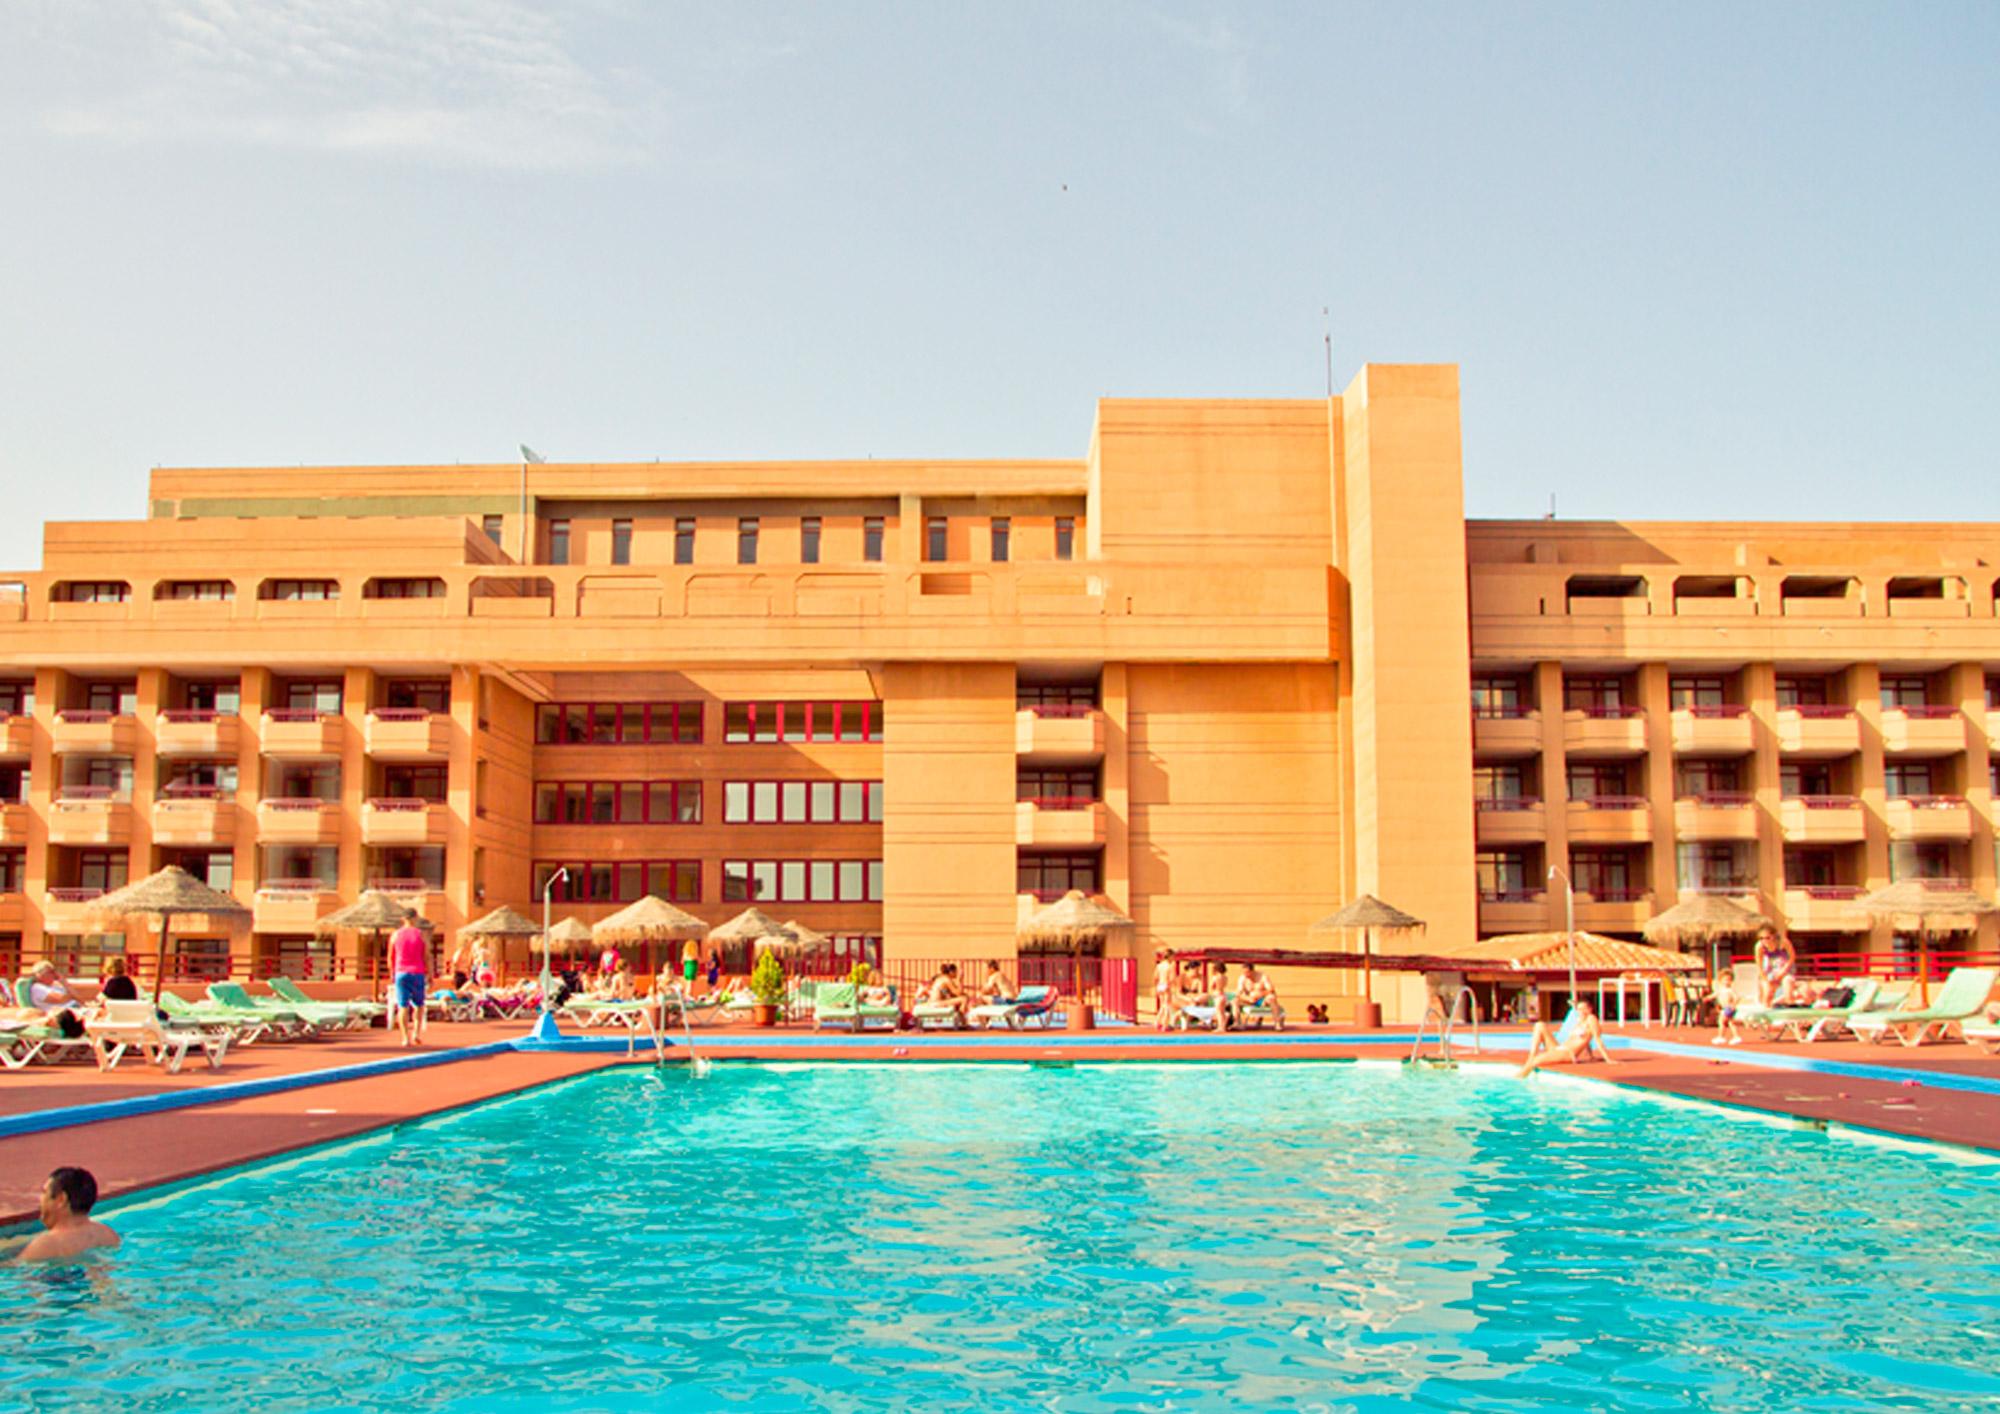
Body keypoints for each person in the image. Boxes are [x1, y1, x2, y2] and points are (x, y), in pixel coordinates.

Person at [15, 1167, 120, 1264]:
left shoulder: (45, 1245)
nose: (40, 1199)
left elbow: (16, 1272)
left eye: (44, 1192)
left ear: (61, 1199)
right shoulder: (109, 1235)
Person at [1517, 1000, 1618, 1077]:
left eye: (1583, 1009)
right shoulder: (1579, 1022)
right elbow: (1586, 1041)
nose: (1581, 1011)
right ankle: (1530, 1057)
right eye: (1579, 1009)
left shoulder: (1591, 1019)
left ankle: (1519, 1078)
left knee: (1535, 1061)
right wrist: (1591, 1056)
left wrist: (1608, 1059)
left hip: (1568, 1054)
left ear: (1590, 1009)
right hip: (1559, 1049)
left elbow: (1597, 1039)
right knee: (1540, 1025)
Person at [387, 919, 428, 1047]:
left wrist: (392, 974)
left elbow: (390, 957)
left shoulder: (395, 935)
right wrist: (430, 973)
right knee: (419, 1005)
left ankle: (405, 1038)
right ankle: (416, 1033)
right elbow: (426, 955)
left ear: (403, 920)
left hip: (401, 972)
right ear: (415, 918)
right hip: (417, 972)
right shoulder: (421, 934)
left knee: (402, 1006)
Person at [25, 962, 85, 1038]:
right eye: (50, 972)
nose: (55, 974)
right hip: (63, 1016)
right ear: (39, 975)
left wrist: (67, 987)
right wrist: (67, 987)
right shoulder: (37, 988)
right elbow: (60, 999)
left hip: (75, 1011)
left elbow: (80, 999)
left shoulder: (55, 987)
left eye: (54, 971)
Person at [1754, 926, 1796, 1007]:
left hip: (1785, 966)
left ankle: (1789, 1008)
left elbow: (1792, 957)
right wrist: (1766, 980)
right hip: (1770, 968)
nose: (1764, 941)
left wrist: (1783, 971)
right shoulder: (1759, 946)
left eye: (1767, 938)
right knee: (1767, 994)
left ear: (1773, 936)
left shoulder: (1783, 942)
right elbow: (1759, 965)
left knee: (1788, 986)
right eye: (1761, 938)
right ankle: (1766, 1011)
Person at [1234, 962, 1282, 1029]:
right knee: (1235, 1001)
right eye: (1244, 972)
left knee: (1272, 998)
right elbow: (1238, 993)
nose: (1246, 975)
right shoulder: (1242, 978)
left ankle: (1277, 1023)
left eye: (1247, 972)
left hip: (1262, 1000)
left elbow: (1271, 989)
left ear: (1252, 971)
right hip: (1250, 1000)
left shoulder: (1262, 976)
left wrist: (1260, 995)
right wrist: (1247, 998)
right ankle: (1237, 1023)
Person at [1709, 972, 1745, 1045]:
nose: (1727, 982)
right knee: (1730, 1022)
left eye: (1729, 980)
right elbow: (1714, 995)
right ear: (1720, 981)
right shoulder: (1720, 990)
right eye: (1725, 980)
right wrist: (1706, 998)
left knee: (1721, 1021)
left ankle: (1721, 1037)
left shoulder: (1730, 990)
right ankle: (1735, 1036)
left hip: (1729, 1008)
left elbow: (1737, 997)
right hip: (1724, 1008)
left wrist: (1733, 1004)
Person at [1153, 954, 1175, 1031]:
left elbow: (1155, 977)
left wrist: (1156, 987)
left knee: (1162, 1005)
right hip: (1166, 985)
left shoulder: (1159, 966)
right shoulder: (1169, 966)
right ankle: (1165, 1025)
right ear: (1169, 956)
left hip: (1160, 985)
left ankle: (1157, 1022)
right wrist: (1169, 986)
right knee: (1167, 1006)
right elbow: (1171, 978)